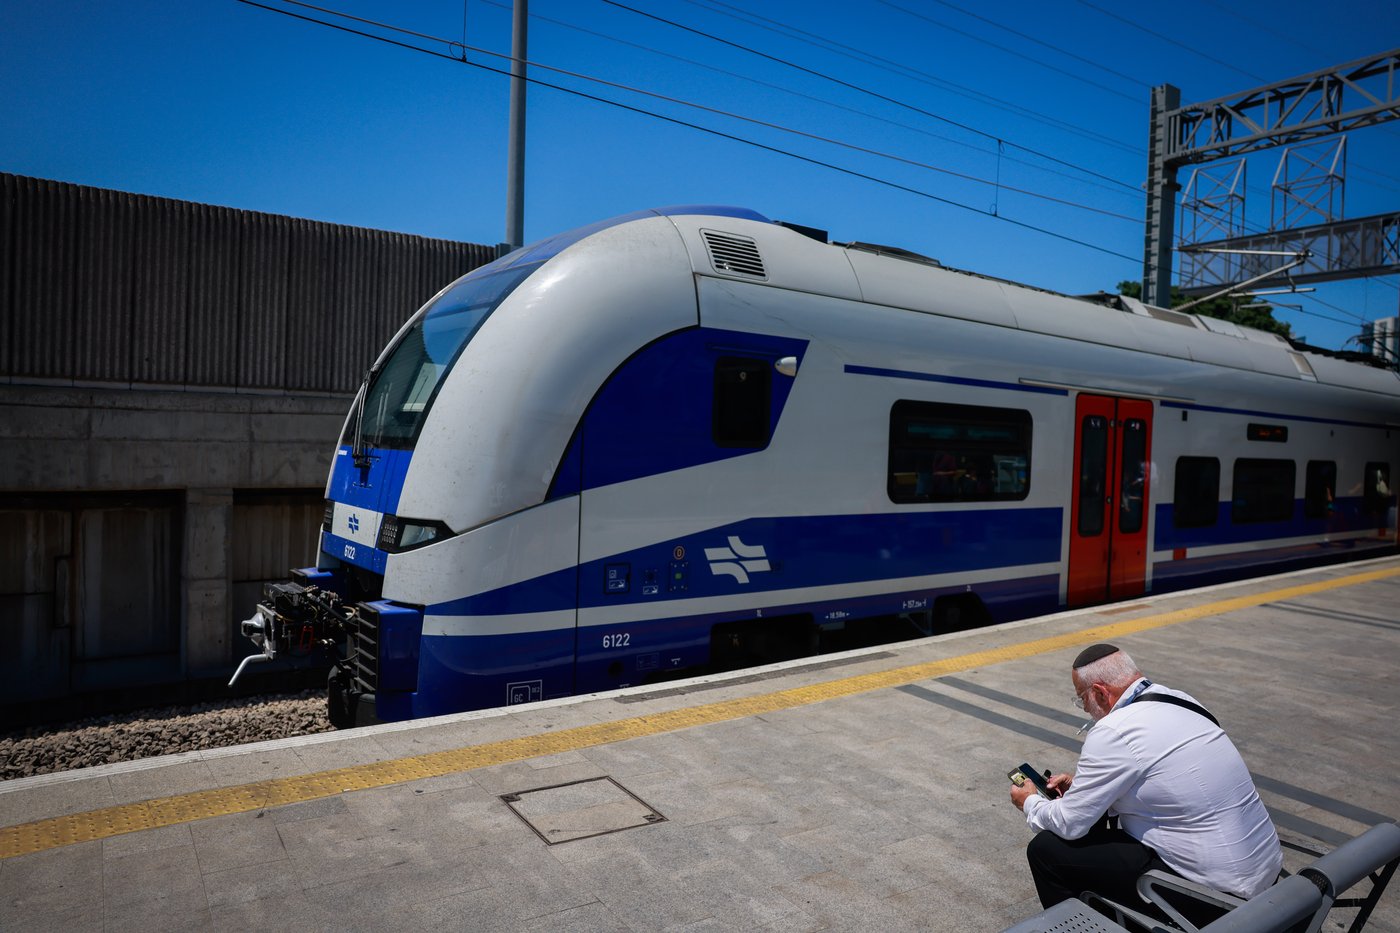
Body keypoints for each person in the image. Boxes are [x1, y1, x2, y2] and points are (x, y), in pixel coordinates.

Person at [1009, 643, 1282, 914]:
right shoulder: (1181, 699)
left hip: (1218, 894)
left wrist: (1031, 802)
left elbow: (1070, 824)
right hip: (1264, 871)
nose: (1084, 709)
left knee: (1046, 851)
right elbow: (1161, 778)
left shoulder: (1113, 731)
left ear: (1101, 693)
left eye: (1082, 699)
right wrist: (1082, 790)